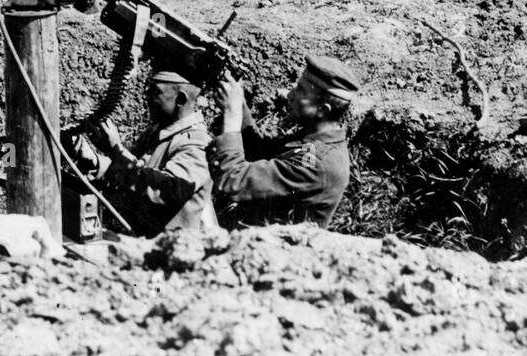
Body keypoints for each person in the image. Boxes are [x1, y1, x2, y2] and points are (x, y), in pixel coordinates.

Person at [208, 55, 360, 228]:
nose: (290, 94)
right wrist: (240, 107)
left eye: (301, 91)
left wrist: (232, 116)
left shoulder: (315, 164)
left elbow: (233, 182)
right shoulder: (314, 139)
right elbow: (260, 154)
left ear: (322, 110)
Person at [73, 69, 218, 236]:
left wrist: (115, 151)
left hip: (174, 251)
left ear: (181, 99)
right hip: (142, 239)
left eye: (155, 92)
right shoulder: (158, 132)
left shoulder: (196, 144)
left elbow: (164, 192)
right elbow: (133, 174)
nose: (146, 98)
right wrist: (89, 156)